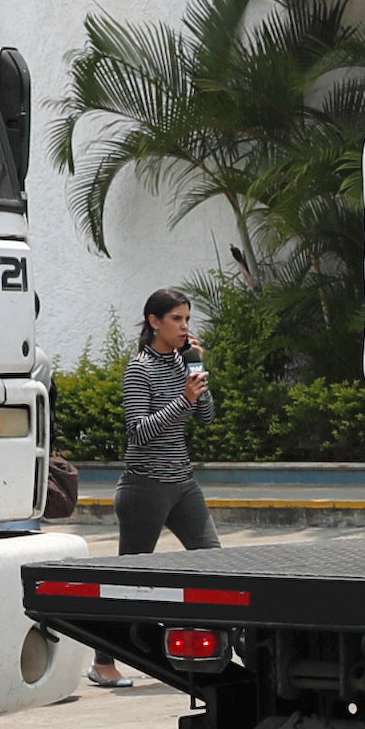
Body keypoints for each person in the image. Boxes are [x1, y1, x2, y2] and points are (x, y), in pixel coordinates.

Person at [94, 288, 221, 685]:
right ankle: (102, 662)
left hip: (183, 483)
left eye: (187, 319)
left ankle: (220, 655)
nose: (185, 327)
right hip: (144, 487)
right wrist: (183, 400)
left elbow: (207, 417)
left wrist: (197, 372)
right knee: (128, 577)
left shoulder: (184, 362)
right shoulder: (140, 368)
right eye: (177, 320)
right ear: (154, 322)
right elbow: (139, 432)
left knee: (214, 564)